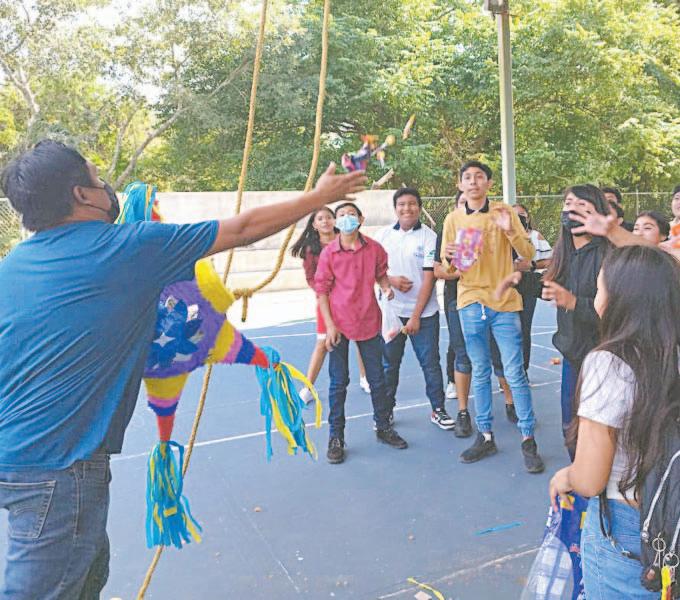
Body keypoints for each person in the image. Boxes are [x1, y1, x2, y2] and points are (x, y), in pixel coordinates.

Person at [0, 139, 366, 598]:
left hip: (16, 452)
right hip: (58, 465)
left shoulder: (15, 264)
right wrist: (319, 197)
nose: (105, 185)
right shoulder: (127, 247)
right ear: (81, 194)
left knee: (88, 569)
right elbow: (243, 228)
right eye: (96, 176)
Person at [549, 245, 680, 599]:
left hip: (628, 526)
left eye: (599, 285)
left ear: (620, 298)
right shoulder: (672, 356)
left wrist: (566, 476)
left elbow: (590, 479)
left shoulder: (610, 364)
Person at [441, 160, 544, 473]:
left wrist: (510, 230)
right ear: (460, 185)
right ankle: (485, 435)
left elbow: (528, 253)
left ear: (488, 183)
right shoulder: (453, 219)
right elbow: (448, 267)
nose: (473, 182)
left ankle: (528, 438)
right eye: (467, 177)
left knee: (514, 371)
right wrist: (451, 258)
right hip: (470, 301)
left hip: (504, 302)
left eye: (479, 177)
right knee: (480, 370)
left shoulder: (504, 211)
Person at [314, 202, 408, 464]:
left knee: (377, 379)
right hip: (339, 325)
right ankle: (336, 437)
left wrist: (386, 287)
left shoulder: (375, 249)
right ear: (335, 222)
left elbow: (381, 275)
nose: (347, 218)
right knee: (338, 382)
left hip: (368, 320)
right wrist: (330, 326)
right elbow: (321, 291)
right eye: (341, 215)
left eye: (351, 214)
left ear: (361, 219)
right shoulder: (329, 253)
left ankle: (383, 426)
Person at [374, 188, 455, 430]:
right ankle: (386, 412)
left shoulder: (429, 237)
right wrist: (391, 280)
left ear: (419, 207)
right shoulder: (383, 235)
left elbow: (429, 278)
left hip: (424, 315)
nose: (407, 208)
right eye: (402, 204)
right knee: (389, 365)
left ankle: (438, 409)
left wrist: (416, 316)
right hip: (391, 312)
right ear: (395, 208)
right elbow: (372, 270)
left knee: (430, 364)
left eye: (412, 204)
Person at [290, 208, 371, 401]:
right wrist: (325, 293)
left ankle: (365, 377)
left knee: (360, 339)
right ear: (314, 224)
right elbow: (311, 278)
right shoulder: (311, 249)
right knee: (322, 343)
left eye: (328, 217)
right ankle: (308, 387)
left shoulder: (347, 239)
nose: (325, 221)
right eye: (320, 218)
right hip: (327, 302)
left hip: (352, 300)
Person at [434, 192, 473, 438]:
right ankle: (461, 407)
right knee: (460, 349)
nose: (467, 206)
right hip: (456, 299)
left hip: (486, 299)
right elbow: (438, 270)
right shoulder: (446, 233)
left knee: (491, 352)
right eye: (462, 203)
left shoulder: (488, 229)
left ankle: (510, 403)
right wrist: (463, 273)